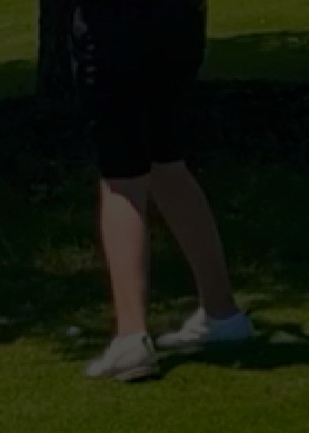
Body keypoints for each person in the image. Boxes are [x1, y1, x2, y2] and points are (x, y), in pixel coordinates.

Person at [72, 0, 252, 381]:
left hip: (116, 29)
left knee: (121, 178)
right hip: (179, 22)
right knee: (166, 165)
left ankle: (131, 336)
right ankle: (221, 311)